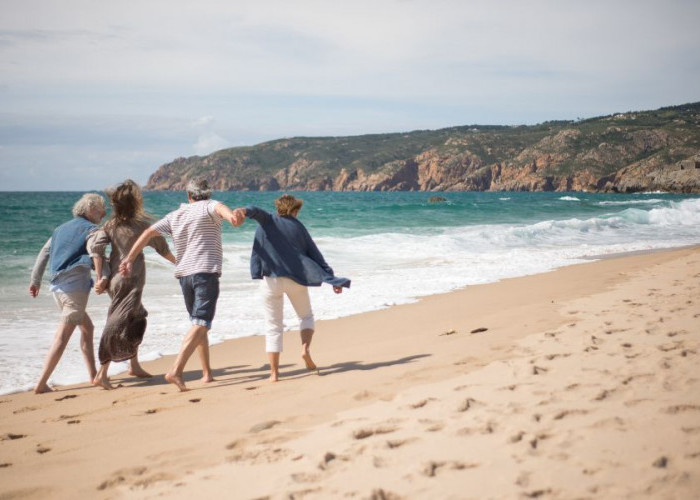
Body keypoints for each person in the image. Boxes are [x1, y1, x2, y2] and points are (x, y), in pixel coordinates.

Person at [119, 178, 243, 392]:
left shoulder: (175, 215)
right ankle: (176, 370)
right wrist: (235, 217)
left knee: (198, 324)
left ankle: (207, 373)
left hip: (185, 275)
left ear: (188, 196)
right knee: (201, 322)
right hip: (204, 272)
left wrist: (129, 259)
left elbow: (147, 233)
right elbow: (230, 216)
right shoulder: (212, 205)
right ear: (208, 194)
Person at [233, 194, 350, 382]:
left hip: (271, 282)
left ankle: (274, 374)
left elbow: (255, 211)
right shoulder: (299, 227)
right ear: (294, 210)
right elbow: (316, 255)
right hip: (296, 280)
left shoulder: (267, 220)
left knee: (273, 327)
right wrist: (333, 279)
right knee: (306, 317)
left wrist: (242, 211)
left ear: (278, 207)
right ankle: (304, 349)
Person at [88, 180, 176, 390]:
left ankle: (134, 365)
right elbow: (162, 247)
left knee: (137, 318)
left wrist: (102, 276)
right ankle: (102, 373)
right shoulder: (141, 225)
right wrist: (179, 263)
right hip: (131, 280)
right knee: (117, 323)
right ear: (135, 202)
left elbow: (97, 248)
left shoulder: (110, 225)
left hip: (116, 281)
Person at [29, 193, 108, 394]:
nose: (104, 212)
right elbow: (95, 251)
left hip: (58, 288)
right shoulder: (91, 229)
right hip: (74, 290)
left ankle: (93, 376)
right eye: (101, 208)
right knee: (61, 337)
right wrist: (103, 277)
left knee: (87, 328)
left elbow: (44, 253)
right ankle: (41, 384)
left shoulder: (60, 229)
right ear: (90, 209)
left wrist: (35, 281)